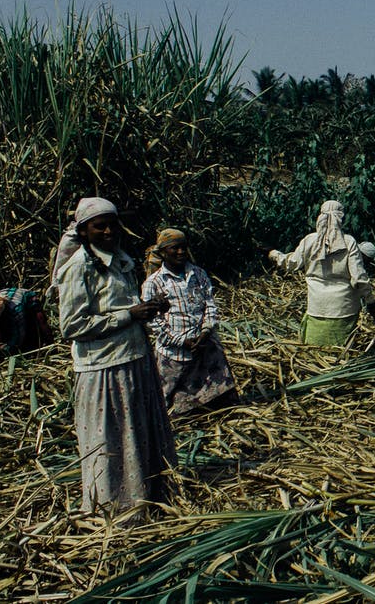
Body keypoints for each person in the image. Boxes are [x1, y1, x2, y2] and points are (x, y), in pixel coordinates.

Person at [56, 196, 176, 515]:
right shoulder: (77, 267)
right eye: (100, 226)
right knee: (109, 441)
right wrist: (128, 315)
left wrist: (148, 310)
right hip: (103, 368)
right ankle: (111, 507)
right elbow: (72, 325)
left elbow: (122, 305)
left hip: (134, 359)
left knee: (136, 434)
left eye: (113, 224)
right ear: (83, 232)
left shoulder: (121, 259)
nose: (109, 231)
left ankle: (147, 496)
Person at [142, 229, 236, 417]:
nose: (181, 252)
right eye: (174, 248)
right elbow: (155, 321)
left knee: (220, 401)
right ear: (162, 252)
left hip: (204, 344)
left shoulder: (198, 274)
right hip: (174, 351)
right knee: (172, 403)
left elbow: (209, 304)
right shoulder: (154, 282)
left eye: (184, 247)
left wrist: (206, 331)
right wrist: (180, 341)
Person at [268, 200, 375, 346]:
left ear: (321, 217)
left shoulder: (310, 240)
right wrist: (370, 300)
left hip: (317, 306)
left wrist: (272, 253)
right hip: (344, 308)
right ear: (341, 218)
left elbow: (290, 263)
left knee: (314, 349)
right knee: (340, 350)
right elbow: (358, 278)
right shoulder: (349, 242)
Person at [0, 288, 54, 363]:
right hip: (3, 309)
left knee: (40, 322)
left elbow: (17, 338)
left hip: (27, 299)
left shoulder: (16, 309)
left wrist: (4, 350)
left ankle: (51, 347)